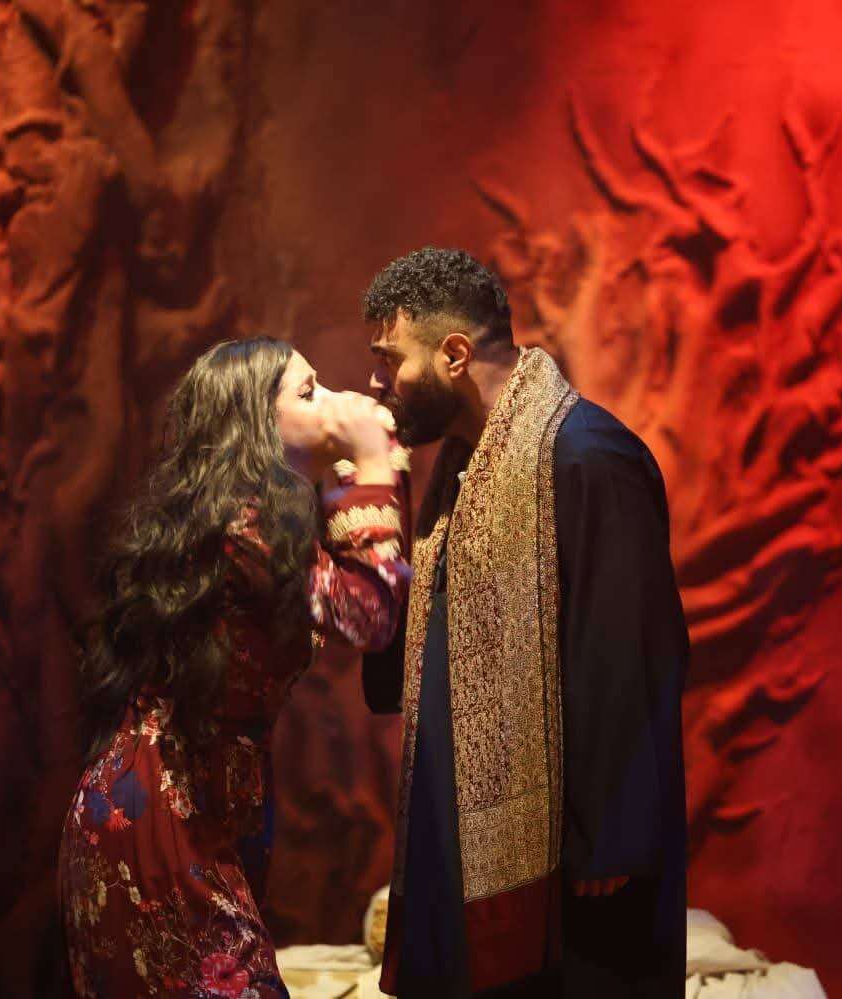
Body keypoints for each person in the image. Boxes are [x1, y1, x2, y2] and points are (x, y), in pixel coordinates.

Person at [360, 248, 689, 997]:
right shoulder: (458, 465)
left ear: (454, 355)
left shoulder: (587, 457)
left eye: (390, 358)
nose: (377, 381)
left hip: (574, 869)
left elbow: (630, 655)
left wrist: (612, 836)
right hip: (456, 834)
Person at [59, 337, 410, 999]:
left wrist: (362, 472)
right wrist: (369, 461)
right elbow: (369, 617)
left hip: (196, 802)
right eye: (308, 391)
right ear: (255, 423)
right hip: (160, 809)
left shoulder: (264, 520)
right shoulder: (243, 523)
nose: (331, 400)